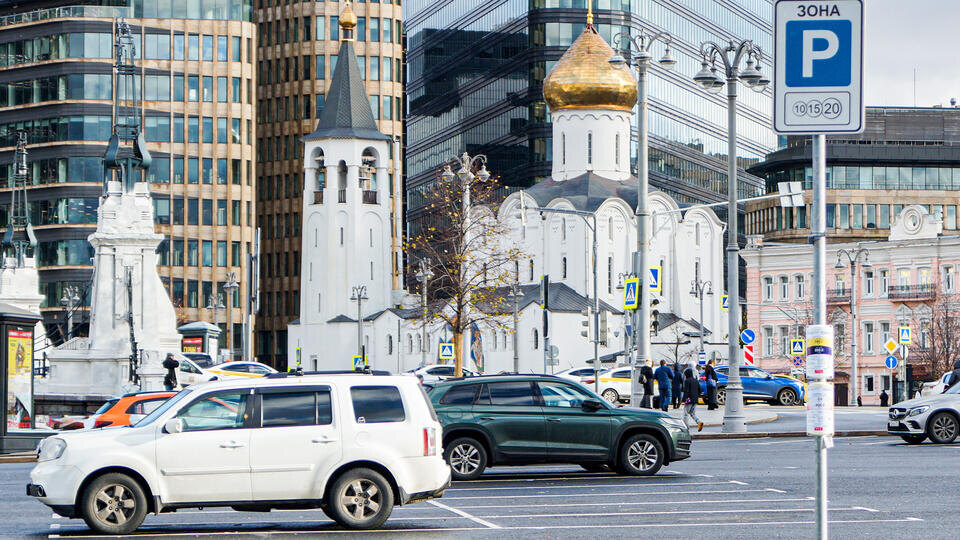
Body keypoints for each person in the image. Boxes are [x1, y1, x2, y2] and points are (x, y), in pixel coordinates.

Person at [681, 366, 704, 432]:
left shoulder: (687, 381)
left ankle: (686, 427)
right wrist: (696, 396)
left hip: (689, 399)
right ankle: (699, 422)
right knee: (692, 413)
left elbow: (686, 391)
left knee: (685, 414)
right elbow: (700, 390)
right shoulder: (696, 381)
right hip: (695, 399)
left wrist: (683, 400)